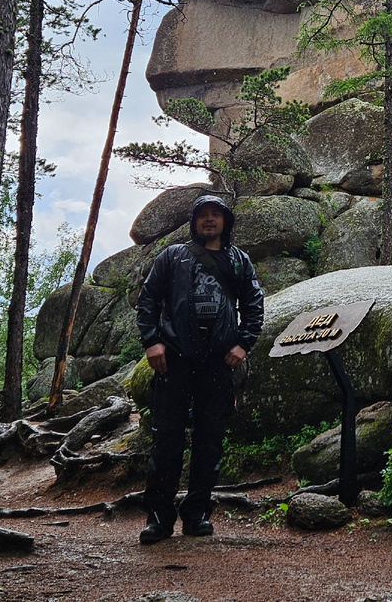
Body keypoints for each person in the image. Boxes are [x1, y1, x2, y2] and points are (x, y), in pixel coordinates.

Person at [135, 193, 264, 543]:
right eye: (203, 215)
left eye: (216, 215)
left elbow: (253, 305)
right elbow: (147, 300)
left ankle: (197, 515)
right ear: (194, 222)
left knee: (209, 441)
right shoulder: (172, 256)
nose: (209, 220)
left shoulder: (239, 261)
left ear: (226, 221)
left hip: (218, 361)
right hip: (173, 358)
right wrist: (152, 341)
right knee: (167, 441)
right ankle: (158, 519)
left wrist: (242, 344)